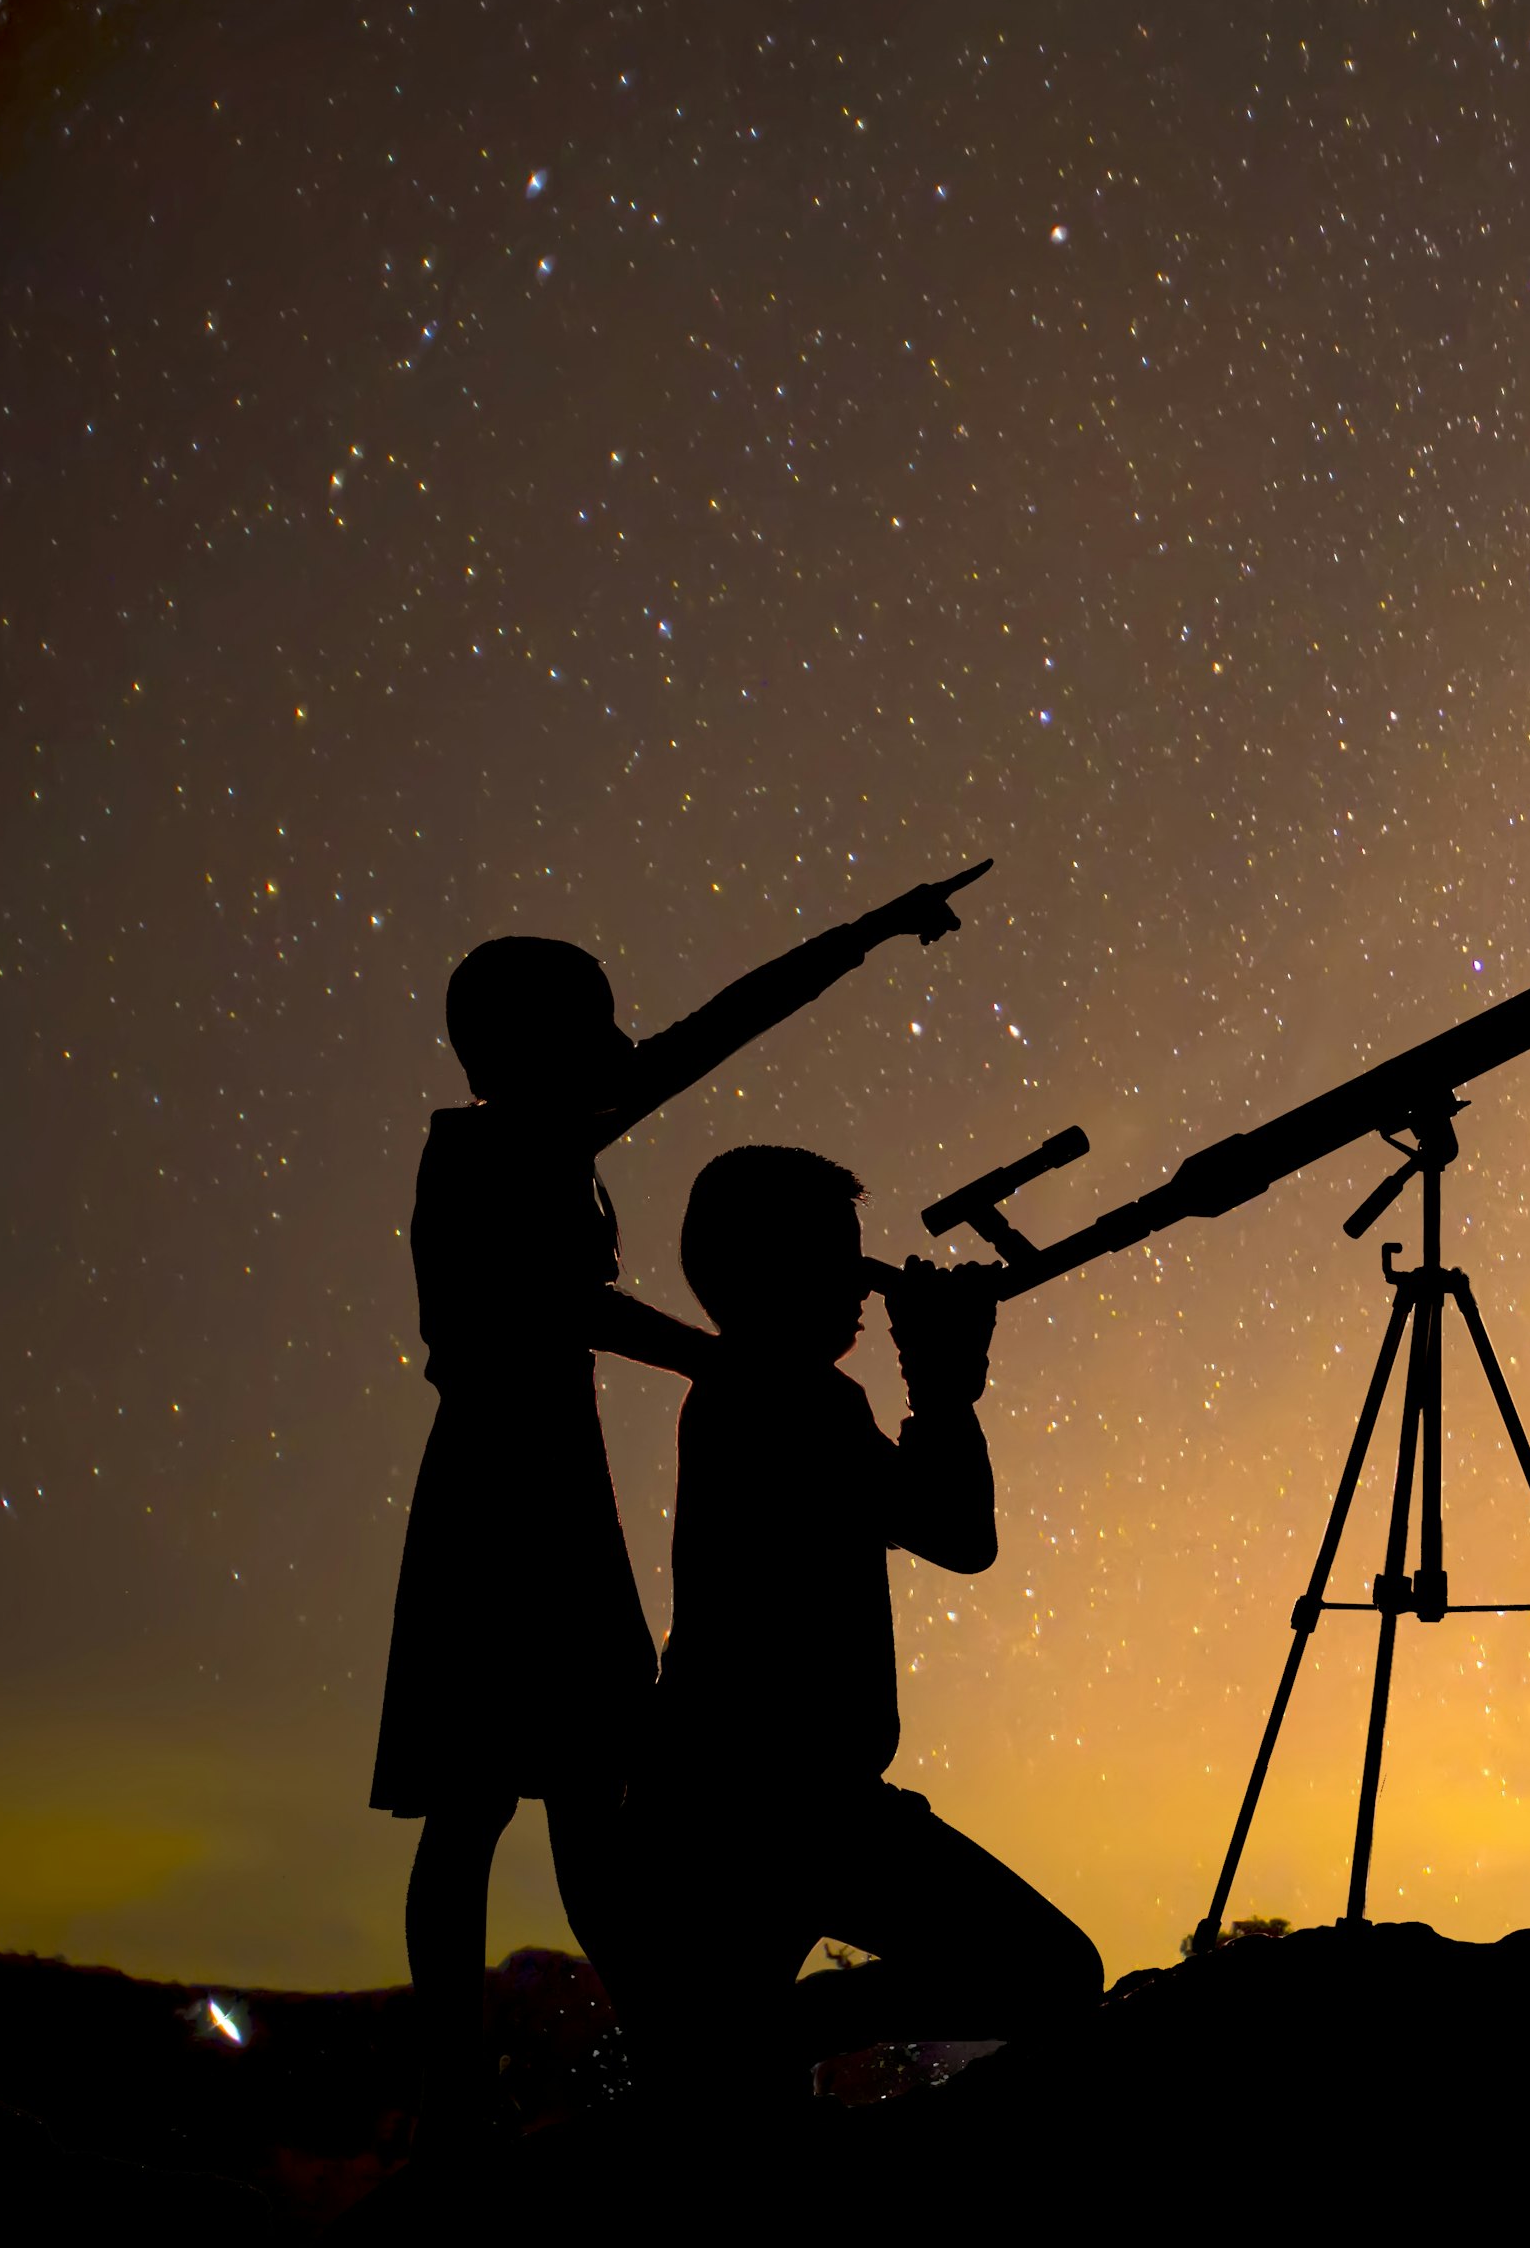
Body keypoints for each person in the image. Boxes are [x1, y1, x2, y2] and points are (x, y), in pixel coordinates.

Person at [372, 864, 988, 2150]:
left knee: (590, 1792)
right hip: (497, 1485)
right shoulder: (481, 1156)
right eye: (593, 1017)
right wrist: (727, 1360)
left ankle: (663, 2048)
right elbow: (561, 1303)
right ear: (527, 1038)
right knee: (479, 1801)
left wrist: (862, 938)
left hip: (557, 1474)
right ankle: (455, 2087)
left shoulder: (557, 1141)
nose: (619, 1037)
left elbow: (719, 1027)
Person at [630, 1142, 1105, 2109]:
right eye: (838, 1256)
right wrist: (942, 1393)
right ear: (779, 1269)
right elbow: (961, 1534)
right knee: (1048, 1971)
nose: (861, 1279)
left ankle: (780, 2032)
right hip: (786, 1808)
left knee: (726, 2086)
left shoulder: (745, 1394)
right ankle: (798, 2025)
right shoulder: (795, 1401)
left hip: (733, 1801)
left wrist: (941, 1390)